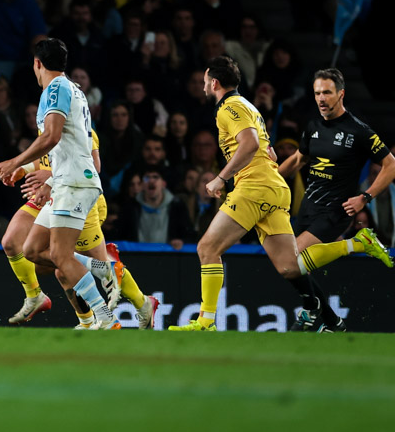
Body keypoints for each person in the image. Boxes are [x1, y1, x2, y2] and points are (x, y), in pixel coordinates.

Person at [168, 56, 319, 331]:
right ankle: (355, 246)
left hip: (255, 187)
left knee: (207, 248)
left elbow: (249, 144)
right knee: (288, 266)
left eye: (204, 82)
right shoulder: (248, 105)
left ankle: (206, 321)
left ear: (214, 83)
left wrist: (221, 178)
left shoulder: (229, 107)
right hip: (274, 188)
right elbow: (266, 148)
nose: (203, 87)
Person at [0, 38, 120, 330]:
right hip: (66, 180)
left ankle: (103, 316)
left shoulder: (56, 89)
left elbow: (50, 137)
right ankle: (102, 268)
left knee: (61, 256)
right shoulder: (73, 89)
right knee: (33, 250)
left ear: (37, 63)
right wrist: (29, 167)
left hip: (75, 181)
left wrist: (15, 162)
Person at [1, 124, 157, 329]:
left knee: (64, 266)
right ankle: (41, 299)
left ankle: (141, 303)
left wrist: (49, 178)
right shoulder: (47, 118)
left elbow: (93, 168)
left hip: (79, 198)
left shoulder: (77, 122)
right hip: (50, 196)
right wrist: (25, 169)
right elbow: (46, 159)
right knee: (19, 246)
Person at [277, 68, 394, 331]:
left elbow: (391, 165)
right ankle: (332, 320)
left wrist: (365, 197)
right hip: (308, 207)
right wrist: (265, 180)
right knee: (291, 267)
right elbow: (298, 160)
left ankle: (356, 245)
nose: (321, 98)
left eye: (327, 92)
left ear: (341, 93)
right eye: (317, 93)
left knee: (289, 264)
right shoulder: (313, 126)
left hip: (336, 210)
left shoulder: (359, 130)